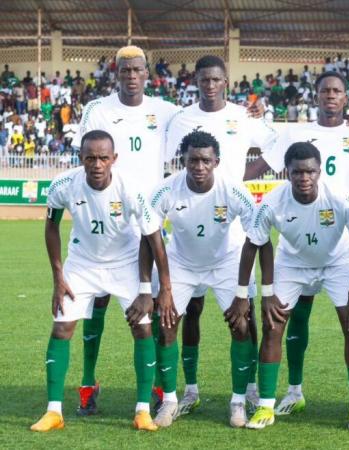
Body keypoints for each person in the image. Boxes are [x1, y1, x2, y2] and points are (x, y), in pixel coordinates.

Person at [246, 71, 349, 416]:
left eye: (337, 90)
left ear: (347, 96)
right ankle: (293, 390)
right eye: (325, 91)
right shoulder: (295, 133)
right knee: (293, 319)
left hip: (343, 243)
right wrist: (233, 183)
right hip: (296, 250)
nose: (331, 96)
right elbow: (266, 164)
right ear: (316, 95)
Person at [30, 130, 164, 432]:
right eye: (90, 157)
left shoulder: (130, 188)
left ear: (113, 159)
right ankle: (54, 412)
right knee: (62, 326)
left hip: (126, 263)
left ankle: (142, 410)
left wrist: (150, 289)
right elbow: (51, 227)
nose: (97, 163)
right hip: (82, 264)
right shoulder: (63, 184)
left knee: (142, 328)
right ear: (81, 158)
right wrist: (58, 276)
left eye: (104, 157)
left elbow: (152, 236)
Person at [164, 55, 275, 415]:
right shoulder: (182, 119)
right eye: (204, 80)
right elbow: (172, 159)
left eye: (216, 80)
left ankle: (250, 388)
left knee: (243, 315)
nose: (210, 85)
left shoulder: (244, 116)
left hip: (230, 222)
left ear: (226, 81)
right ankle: (187, 390)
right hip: (189, 226)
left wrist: (241, 178)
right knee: (189, 311)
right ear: (195, 81)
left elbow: (272, 151)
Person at [73, 45, 180, 416]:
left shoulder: (166, 111)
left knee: (153, 307)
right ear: (115, 73)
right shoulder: (97, 110)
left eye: (137, 70)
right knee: (96, 302)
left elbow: (204, 132)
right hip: (108, 221)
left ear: (148, 73)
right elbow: (87, 155)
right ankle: (88, 383)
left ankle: (160, 389)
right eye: (124, 70)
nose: (131, 75)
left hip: (148, 225)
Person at [233, 142, 349, 430]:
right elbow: (253, 244)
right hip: (292, 263)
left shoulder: (341, 197)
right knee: (272, 326)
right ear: (287, 173)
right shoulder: (272, 201)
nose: (304, 178)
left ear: (319, 172)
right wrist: (251, 293)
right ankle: (266, 407)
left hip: (338, 262)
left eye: (309, 172)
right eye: (297, 172)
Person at [145, 131, 257, 428]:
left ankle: (237, 400)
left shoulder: (233, 191)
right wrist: (163, 288)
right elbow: (150, 234)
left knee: (241, 324)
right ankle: (172, 399)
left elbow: (256, 238)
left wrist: (243, 292)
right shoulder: (165, 190)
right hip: (181, 262)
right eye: (192, 160)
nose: (198, 166)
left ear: (216, 162)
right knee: (167, 323)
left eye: (205, 160)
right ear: (183, 161)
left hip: (226, 261)